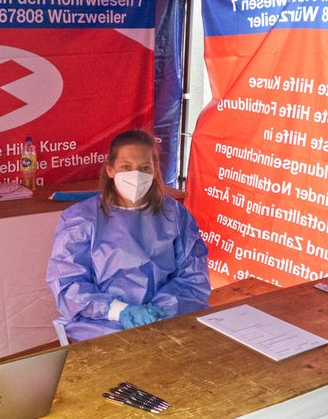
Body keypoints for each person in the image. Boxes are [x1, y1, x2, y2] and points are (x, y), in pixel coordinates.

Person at [46, 129, 211, 342]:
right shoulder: (81, 220)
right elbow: (68, 284)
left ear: (154, 170)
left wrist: (160, 311)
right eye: (126, 167)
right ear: (110, 170)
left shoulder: (175, 215)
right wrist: (120, 311)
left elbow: (194, 277)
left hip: (167, 319)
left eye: (144, 168)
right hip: (102, 324)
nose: (136, 175)